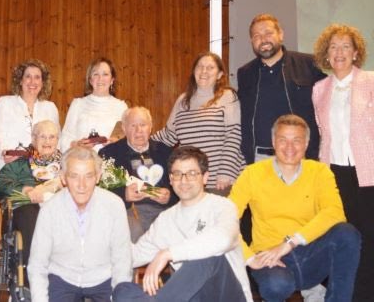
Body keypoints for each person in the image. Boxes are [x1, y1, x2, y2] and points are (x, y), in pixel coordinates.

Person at [312, 24, 374, 302]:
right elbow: (323, 135)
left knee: (373, 243)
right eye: (333, 47)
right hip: (335, 174)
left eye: (345, 46)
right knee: (343, 239)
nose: (339, 52)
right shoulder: (320, 89)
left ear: (355, 53)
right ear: (326, 55)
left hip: (372, 175)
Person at [229, 114, 361, 302]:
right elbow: (226, 219)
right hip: (269, 258)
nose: (289, 147)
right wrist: (249, 258)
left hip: (307, 251)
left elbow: (335, 213)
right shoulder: (252, 174)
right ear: (274, 142)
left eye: (297, 141)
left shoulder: (320, 172)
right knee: (276, 286)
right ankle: (310, 290)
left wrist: (290, 242)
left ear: (306, 144)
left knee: (347, 234)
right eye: (283, 140)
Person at [113, 146, 253, 302]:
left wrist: (167, 253)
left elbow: (224, 239)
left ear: (205, 177)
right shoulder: (165, 220)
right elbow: (134, 255)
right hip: (189, 298)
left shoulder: (223, 206)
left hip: (226, 295)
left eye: (192, 173)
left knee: (207, 257)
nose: (184, 180)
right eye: (178, 174)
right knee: (122, 290)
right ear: (171, 180)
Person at [27, 146, 132, 302]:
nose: (81, 185)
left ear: (98, 177)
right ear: (63, 178)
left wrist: (118, 296)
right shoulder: (50, 210)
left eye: (88, 176)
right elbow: (37, 264)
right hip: (62, 278)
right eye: (74, 176)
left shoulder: (114, 205)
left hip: (104, 278)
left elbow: (122, 259)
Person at [237, 13, 326, 164]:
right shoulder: (245, 73)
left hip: (300, 154)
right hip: (261, 159)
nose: (263, 39)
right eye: (257, 36)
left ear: (281, 35)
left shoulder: (308, 64)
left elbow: (327, 103)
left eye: (268, 33)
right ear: (251, 41)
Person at [153, 52, 245, 195]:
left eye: (210, 68)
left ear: (220, 74)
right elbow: (168, 135)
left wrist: (226, 172)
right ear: (194, 71)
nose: (204, 71)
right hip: (191, 181)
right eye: (200, 67)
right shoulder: (183, 100)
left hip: (220, 181)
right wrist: (137, 141)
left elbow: (234, 135)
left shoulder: (227, 96)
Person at [0, 120, 63, 268]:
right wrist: (25, 190)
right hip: (27, 208)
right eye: (42, 137)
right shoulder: (19, 164)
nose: (47, 141)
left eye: (52, 137)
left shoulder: (66, 164)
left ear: (58, 140)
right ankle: (32, 268)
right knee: (29, 212)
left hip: (59, 209)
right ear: (33, 139)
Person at [99, 106, 176, 241]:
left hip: (164, 210)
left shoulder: (166, 151)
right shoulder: (109, 153)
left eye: (143, 125)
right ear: (124, 128)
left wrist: (170, 195)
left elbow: (179, 184)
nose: (138, 131)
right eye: (133, 125)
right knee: (134, 230)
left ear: (151, 127)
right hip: (130, 211)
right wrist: (124, 194)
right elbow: (102, 191)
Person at [0, 59, 59, 171]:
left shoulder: (50, 108)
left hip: (42, 171)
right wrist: (5, 152)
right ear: (20, 81)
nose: (32, 81)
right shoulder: (5, 103)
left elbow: (56, 142)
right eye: (28, 76)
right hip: (11, 170)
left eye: (37, 77)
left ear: (42, 82)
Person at [60, 57, 128, 152]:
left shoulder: (121, 107)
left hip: (110, 164)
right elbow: (64, 139)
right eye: (96, 74)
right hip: (81, 161)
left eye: (105, 74)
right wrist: (76, 145)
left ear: (112, 80)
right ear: (90, 80)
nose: (100, 79)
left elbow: (128, 140)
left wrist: (116, 143)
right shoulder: (78, 104)